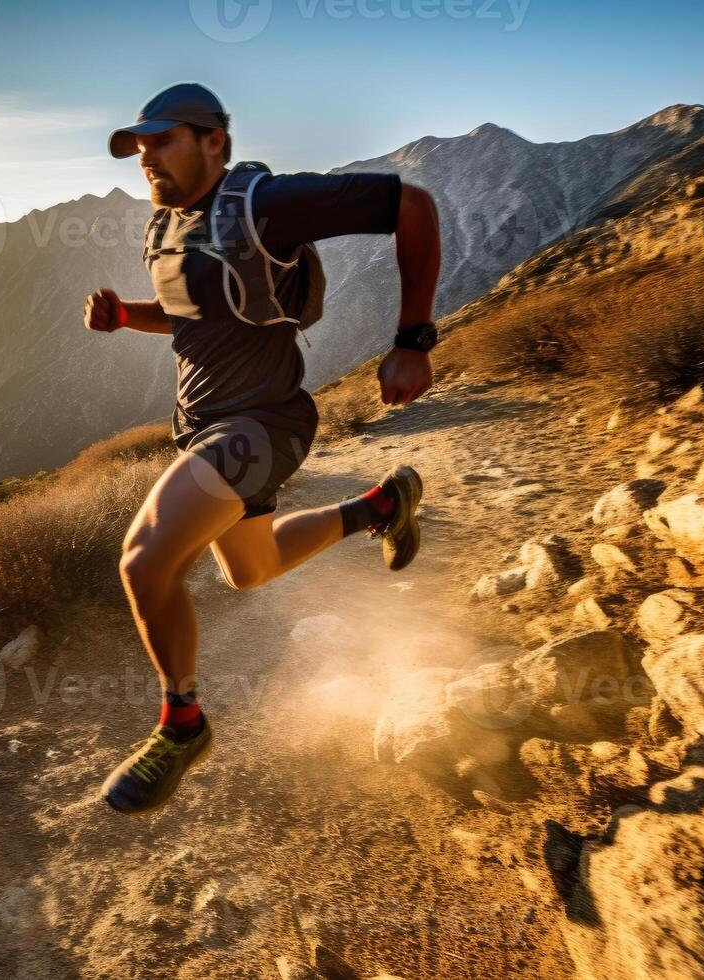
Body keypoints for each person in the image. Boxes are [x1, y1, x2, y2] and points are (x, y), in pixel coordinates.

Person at [86, 82, 442, 814]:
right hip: (206, 423)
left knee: (145, 559)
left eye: (163, 139)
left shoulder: (265, 204)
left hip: (259, 425)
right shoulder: (168, 226)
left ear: (214, 140)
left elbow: (413, 207)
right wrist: (127, 316)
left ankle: (182, 725)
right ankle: (380, 505)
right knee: (253, 569)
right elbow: (192, 315)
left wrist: (412, 339)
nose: (146, 156)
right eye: (139, 145)